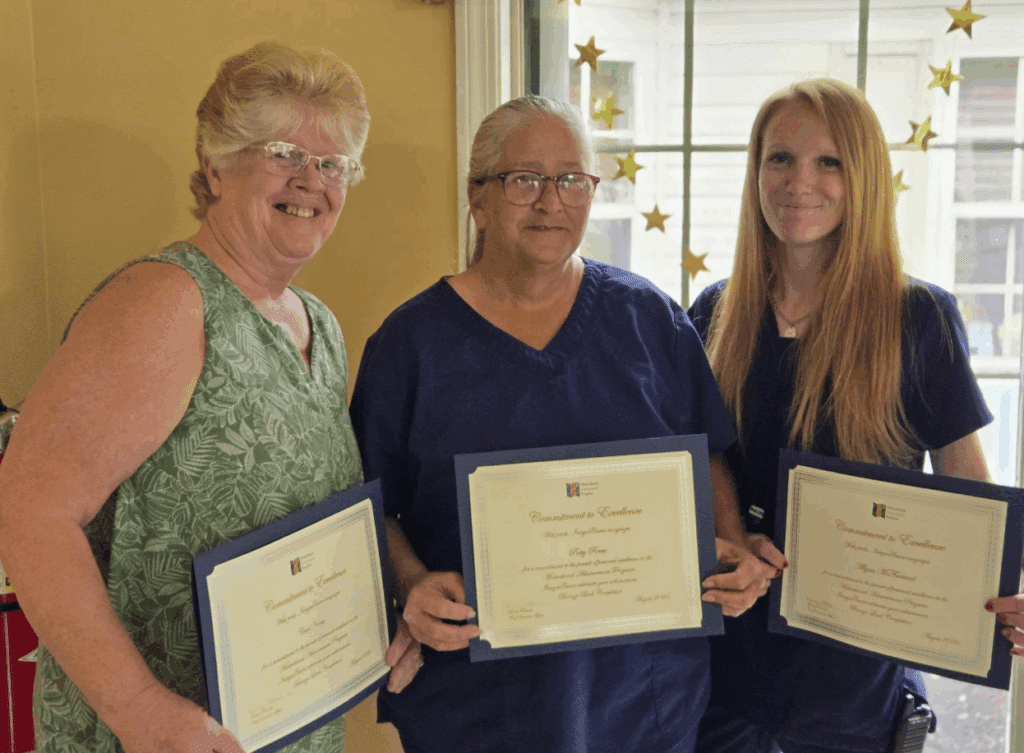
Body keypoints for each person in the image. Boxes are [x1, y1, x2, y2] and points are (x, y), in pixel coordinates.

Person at [0, 41, 418, 753]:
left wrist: (382, 611)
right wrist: (139, 710)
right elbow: (30, 513)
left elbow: (307, 526)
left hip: (282, 728)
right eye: (284, 152)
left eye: (332, 162)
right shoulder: (166, 303)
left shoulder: (318, 323)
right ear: (217, 162)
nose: (310, 180)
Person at [348, 95, 781, 753]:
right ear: (479, 197)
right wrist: (411, 584)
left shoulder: (650, 322)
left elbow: (708, 458)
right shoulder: (410, 344)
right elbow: (370, 505)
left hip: (642, 696)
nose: (550, 202)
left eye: (571, 180)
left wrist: (733, 551)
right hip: (478, 703)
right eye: (524, 179)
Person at [687, 77, 1006, 753]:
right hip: (724, 672)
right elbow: (702, 454)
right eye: (779, 159)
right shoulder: (714, 313)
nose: (798, 182)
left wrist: (1006, 589)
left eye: (827, 161)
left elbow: (967, 483)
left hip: (857, 686)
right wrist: (730, 539)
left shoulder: (919, 319)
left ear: (860, 177)